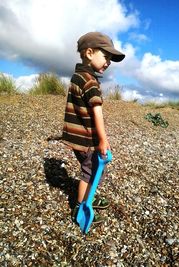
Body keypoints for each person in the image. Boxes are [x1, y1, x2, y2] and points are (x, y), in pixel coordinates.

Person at [62, 32, 125, 224]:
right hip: (87, 140)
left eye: (110, 60)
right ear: (89, 53)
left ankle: (88, 197)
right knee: (90, 171)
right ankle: (81, 205)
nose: (108, 62)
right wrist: (103, 140)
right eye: (106, 57)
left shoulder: (77, 76)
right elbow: (97, 113)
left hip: (76, 137)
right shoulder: (90, 81)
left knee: (89, 168)